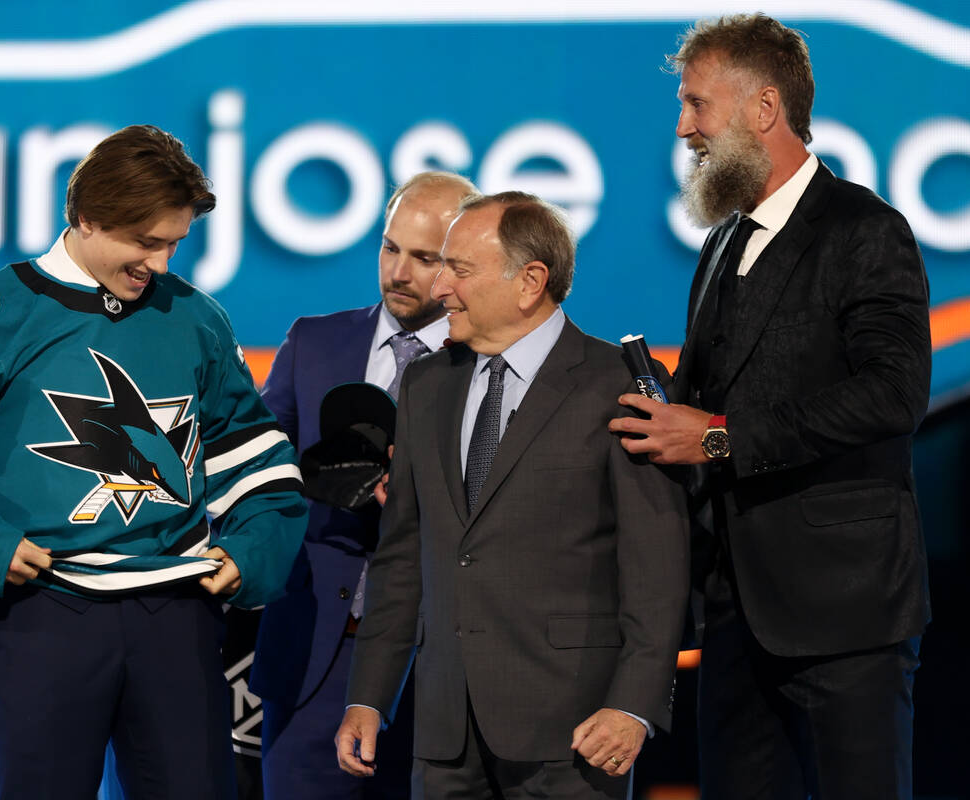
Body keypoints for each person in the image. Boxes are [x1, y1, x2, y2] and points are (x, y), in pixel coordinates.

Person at [0, 124, 307, 800]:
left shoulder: (197, 319)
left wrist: (252, 551)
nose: (163, 265)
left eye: (174, 242)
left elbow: (257, 459)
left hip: (179, 616)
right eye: (146, 242)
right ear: (86, 216)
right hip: (45, 616)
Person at [607, 14, 931, 799]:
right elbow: (709, 401)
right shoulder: (724, 241)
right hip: (734, 614)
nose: (683, 129)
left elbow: (894, 394)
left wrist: (716, 438)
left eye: (696, 106)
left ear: (763, 108)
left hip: (845, 615)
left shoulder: (864, 230)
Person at [336, 192, 689, 798]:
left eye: (459, 269)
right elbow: (401, 557)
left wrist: (633, 706)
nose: (438, 286)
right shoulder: (425, 386)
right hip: (446, 732)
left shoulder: (617, 385)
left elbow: (657, 567)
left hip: (576, 730)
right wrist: (369, 697)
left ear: (530, 282)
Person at [250, 171, 478, 799]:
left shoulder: (489, 367)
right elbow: (257, 474)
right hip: (315, 651)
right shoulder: (312, 342)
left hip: (440, 658)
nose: (399, 272)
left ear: (461, 265)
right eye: (389, 248)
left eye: (425, 258)